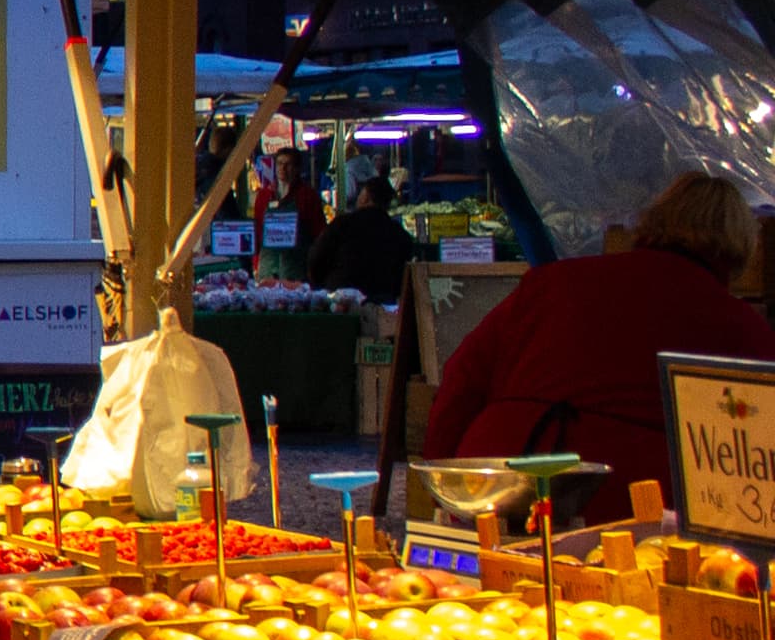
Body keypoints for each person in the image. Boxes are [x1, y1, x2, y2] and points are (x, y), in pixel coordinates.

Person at [425, 172, 775, 495]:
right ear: (740, 246)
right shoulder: (740, 326)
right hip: (623, 500)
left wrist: (439, 484)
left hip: (494, 475)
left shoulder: (554, 282)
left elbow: (462, 380)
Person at [310, 173, 417, 306]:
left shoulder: (342, 224)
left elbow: (317, 257)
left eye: (361, 193)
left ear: (366, 198)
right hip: (384, 303)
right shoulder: (399, 234)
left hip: (342, 300)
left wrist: (319, 287)